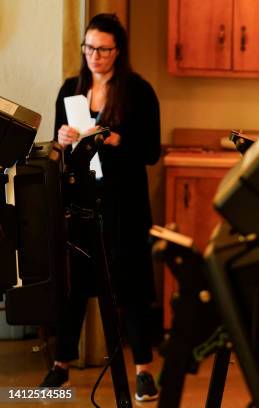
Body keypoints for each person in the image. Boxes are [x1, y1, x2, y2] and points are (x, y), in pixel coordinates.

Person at [39, 13, 161, 402]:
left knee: (131, 286)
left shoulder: (138, 92)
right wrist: (62, 140)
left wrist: (110, 139)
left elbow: (151, 151)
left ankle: (143, 370)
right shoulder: (70, 89)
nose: (95, 55)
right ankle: (60, 365)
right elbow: (62, 147)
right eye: (89, 48)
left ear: (118, 51)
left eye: (103, 49)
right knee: (75, 286)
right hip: (83, 201)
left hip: (125, 204)